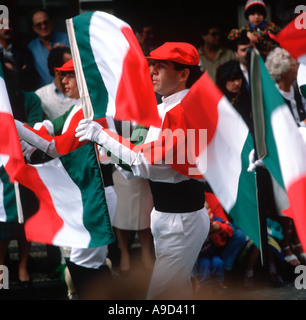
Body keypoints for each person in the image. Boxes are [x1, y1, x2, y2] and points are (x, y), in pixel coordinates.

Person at [75, 42, 210, 300]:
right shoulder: (160, 109)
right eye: (153, 65)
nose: (153, 71)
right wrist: (106, 144)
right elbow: (133, 163)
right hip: (164, 215)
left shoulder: (185, 111)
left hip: (182, 219)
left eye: (162, 67)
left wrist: (103, 136)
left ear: (183, 75)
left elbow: (144, 163)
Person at [15, 59, 115, 298]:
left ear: (84, 79)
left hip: (97, 193)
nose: (63, 81)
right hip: (86, 193)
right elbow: (49, 127)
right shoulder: (77, 107)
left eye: (69, 76)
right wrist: (29, 134)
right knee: (88, 263)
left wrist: (14, 125)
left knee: (83, 264)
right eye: (61, 76)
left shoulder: (93, 110)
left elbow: (54, 146)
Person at [0, 57, 43, 288]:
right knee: (3, 224)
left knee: (26, 220)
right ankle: (2, 275)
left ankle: (23, 265)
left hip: (27, 169)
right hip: (1, 174)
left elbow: (35, 130)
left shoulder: (30, 100)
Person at [192, 201, 233, 294]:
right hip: (201, 256)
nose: (208, 214)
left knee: (218, 263)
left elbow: (229, 227)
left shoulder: (215, 221)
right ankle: (205, 289)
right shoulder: (194, 225)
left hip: (213, 254)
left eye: (208, 210)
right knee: (204, 266)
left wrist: (218, 227)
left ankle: (218, 285)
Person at [27, 8, 69, 88]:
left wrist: (67, 51)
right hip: (47, 95)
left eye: (46, 22)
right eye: (38, 25)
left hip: (71, 91)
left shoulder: (67, 39)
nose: (43, 26)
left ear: (52, 22)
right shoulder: (31, 47)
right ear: (34, 28)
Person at [265, 47, 306, 127]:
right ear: (283, 72)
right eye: (294, 65)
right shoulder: (273, 97)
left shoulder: (297, 89)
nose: (298, 68)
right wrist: (303, 124)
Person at [35, 45, 77, 120]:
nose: (73, 67)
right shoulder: (40, 95)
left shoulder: (80, 93)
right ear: (57, 70)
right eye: (68, 66)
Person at [0, 18, 38, 91]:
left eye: (9, 25)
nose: (7, 28)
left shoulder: (23, 52)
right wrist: (18, 71)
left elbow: (28, 77)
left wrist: (14, 72)